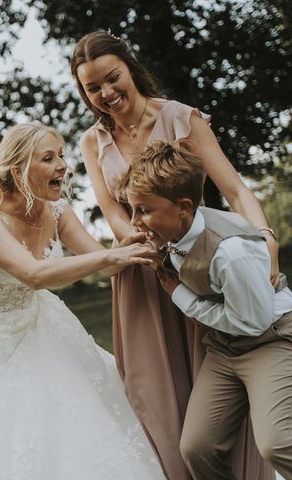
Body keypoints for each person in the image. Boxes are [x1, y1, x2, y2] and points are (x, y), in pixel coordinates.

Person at [0, 121, 164, 479]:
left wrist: (136, 239)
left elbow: (103, 264)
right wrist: (110, 258)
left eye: (62, 156)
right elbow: (34, 275)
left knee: (73, 414)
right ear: (19, 169)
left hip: (36, 320)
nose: (63, 166)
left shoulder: (57, 210)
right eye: (48, 158)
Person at [71, 30, 277, 479]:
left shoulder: (181, 118)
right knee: (153, 390)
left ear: (130, 68)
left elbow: (235, 189)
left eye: (113, 78)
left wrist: (265, 234)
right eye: (92, 88)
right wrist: (141, 241)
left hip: (199, 264)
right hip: (141, 272)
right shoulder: (92, 141)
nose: (106, 93)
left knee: (215, 375)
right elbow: (111, 208)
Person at [118, 140, 292, 479]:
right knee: (196, 447)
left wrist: (182, 296)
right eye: (134, 210)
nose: (136, 221)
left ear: (183, 207)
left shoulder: (232, 252)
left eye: (144, 210)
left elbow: (252, 323)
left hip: (269, 340)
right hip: (225, 348)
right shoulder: (172, 233)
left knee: (278, 442)